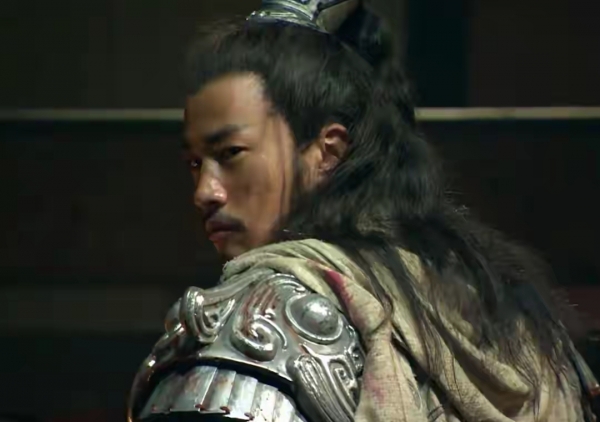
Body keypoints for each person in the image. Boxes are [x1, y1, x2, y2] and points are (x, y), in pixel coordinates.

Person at [128, 1, 598, 421]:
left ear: (327, 152)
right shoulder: (507, 316)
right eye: (195, 164)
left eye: (231, 153)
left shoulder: (259, 321)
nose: (204, 193)